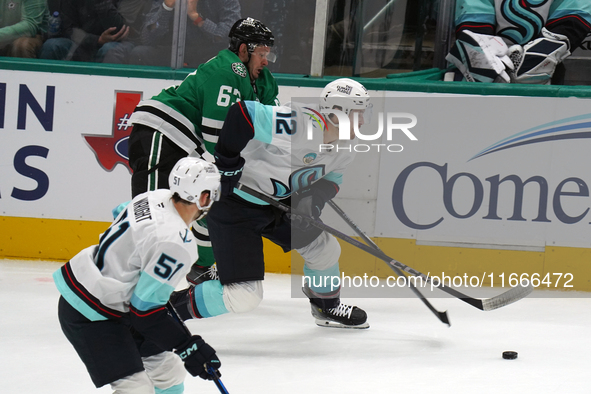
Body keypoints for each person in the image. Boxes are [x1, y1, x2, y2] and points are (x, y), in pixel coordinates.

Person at [170, 78, 371, 329]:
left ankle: (326, 307)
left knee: (324, 248)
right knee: (244, 295)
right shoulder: (299, 123)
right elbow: (241, 114)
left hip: (276, 204)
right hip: (235, 204)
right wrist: (228, 163)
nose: (363, 121)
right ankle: (165, 312)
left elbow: (331, 181)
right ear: (337, 112)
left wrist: (312, 201)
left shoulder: (345, 148)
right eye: (358, 113)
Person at [128, 17, 279, 283]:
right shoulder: (227, 70)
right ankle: (131, 281)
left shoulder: (263, 80)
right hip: (162, 132)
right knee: (154, 209)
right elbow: (216, 138)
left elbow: (272, 129)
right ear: (243, 50)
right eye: (261, 53)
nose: (266, 61)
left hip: (188, 146)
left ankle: (200, 268)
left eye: (268, 54)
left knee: (209, 204)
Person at [53, 157, 223, 393]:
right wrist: (186, 345)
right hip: (89, 313)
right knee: (135, 389)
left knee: (168, 372)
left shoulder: (154, 196)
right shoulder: (177, 243)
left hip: (109, 298)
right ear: (203, 197)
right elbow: (145, 312)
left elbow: (120, 212)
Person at [446, 0, 591, 84]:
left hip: (543, 74)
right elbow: (474, 24)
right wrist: (483, 60)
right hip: (477, 76)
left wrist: (539, 56)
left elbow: (571, 20)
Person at [125, 0, 241, 67]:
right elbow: (147, 38)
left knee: (228, 60)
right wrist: (166, 8)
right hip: (171, 52)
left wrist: (196, 17)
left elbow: (231, 36)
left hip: (209, 54)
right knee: (140, 53)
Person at [39, 0, 131, 62]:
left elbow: (121, 30)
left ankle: (104, 89)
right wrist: (97, 40)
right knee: (52, 45)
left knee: (110, 50)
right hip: (80, 42)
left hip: (116, 42)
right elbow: (67, 29)